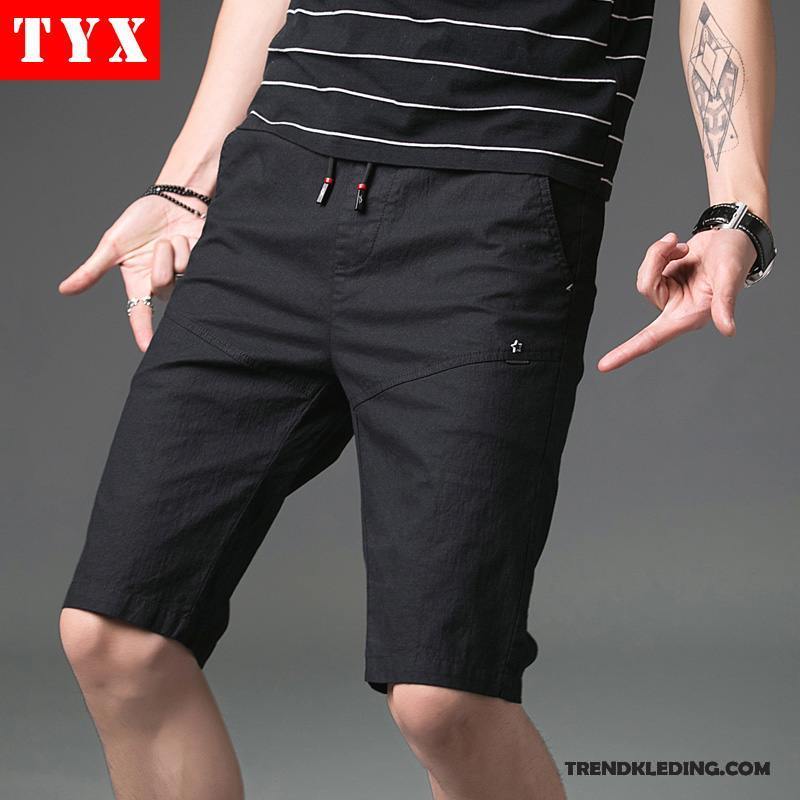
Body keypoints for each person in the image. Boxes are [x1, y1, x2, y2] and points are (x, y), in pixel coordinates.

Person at [56, 1, 777, 798]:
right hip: (274, 190)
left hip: (490, 217)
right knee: (114, 635)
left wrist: (736, 211)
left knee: (445, 698)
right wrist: (184, 184)